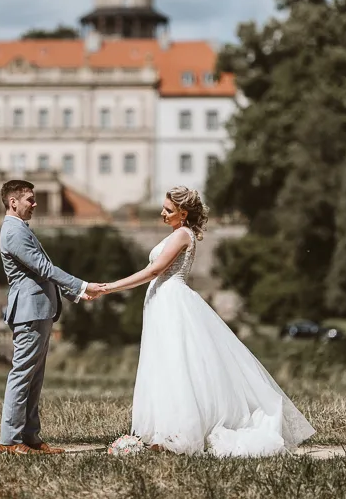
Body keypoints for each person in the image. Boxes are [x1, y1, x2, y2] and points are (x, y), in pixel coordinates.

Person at [92, 185, 315, 456]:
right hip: (162, 303)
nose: (162, 213)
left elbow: (154, 270)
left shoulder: (182, 235)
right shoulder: (178, 233)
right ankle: (165, 432)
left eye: (168, 210)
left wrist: (110, 287)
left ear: (183, 213)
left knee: (178, 364)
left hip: (172, 302)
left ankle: (179, 434)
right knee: (165, 364)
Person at [0, 179, 106, 455]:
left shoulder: (20, 229)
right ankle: (10, 441)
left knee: (34, 377)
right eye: (30, 199)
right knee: (22, 374)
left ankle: (30, 437)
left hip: (38, 310)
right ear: (13, 202)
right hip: (29, 311)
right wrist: (81, 286)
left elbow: (39, 273)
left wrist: (75, 295)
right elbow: (44, 268)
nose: (35, 204)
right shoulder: (13, 231)